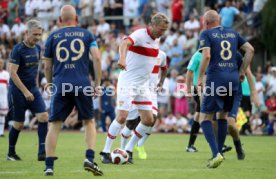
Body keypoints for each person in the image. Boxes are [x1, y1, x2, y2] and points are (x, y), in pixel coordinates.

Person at [99, 13, 169, 164]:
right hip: (128, 82)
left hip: (142, 86)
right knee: (122, 117)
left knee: (148, 119)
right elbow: (124, 44)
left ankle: (128, 150)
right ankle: (105, 152)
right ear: (153, 24)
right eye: (161, 29)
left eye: (164, 30)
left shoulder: (156, 40)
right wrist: (122, 58)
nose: (162, 33)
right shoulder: (139, 34)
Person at [43, 5, 103, 176]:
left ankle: (49, 166)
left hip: (61, 84)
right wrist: (97, 83)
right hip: (82, 84)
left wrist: (49, 83)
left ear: (60, 20)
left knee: (54, 125)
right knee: (89, 122)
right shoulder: (87, 34)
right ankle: (89, 158)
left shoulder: (53, 36)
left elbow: (47, 65)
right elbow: (97, 58)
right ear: (76, 19)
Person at [197, 10, 254, 168]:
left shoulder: (206, 34)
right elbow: (250, 50)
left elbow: (206, 56)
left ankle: (216, 154)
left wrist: (201, 76)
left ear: (207, 22)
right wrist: (242, 71)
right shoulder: (233, 33)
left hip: (216, 79)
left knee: (205, 118)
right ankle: (220, 152)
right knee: (222, 116)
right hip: (233, 81)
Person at [7, 19, 48, 161]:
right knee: (18, 124)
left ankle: (42, 152)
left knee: (43, 116)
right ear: (26, 32)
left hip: (32, 89)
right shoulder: (18, 50)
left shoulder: (37, 48)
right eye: (35, 34)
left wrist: (35, 87)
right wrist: (25, 91)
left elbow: (35, 70)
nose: (37, 38)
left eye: (39, 35)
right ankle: (11, 153)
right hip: (18, 91)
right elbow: (12, 73)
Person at [120, 50, 167, 160]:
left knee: (152, 119)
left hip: (151, 91)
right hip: (136, 89)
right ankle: (123, 149)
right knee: (131, 123)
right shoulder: (137, 52)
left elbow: (164, 69)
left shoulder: (162, 55)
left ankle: (132, 147)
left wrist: (161, 83)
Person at [0, 59, 9, 137]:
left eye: (1, 63)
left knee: (2, 114)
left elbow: (9, 86)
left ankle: (1, 132)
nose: (0, 64)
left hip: (3, 97)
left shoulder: (6, 74)